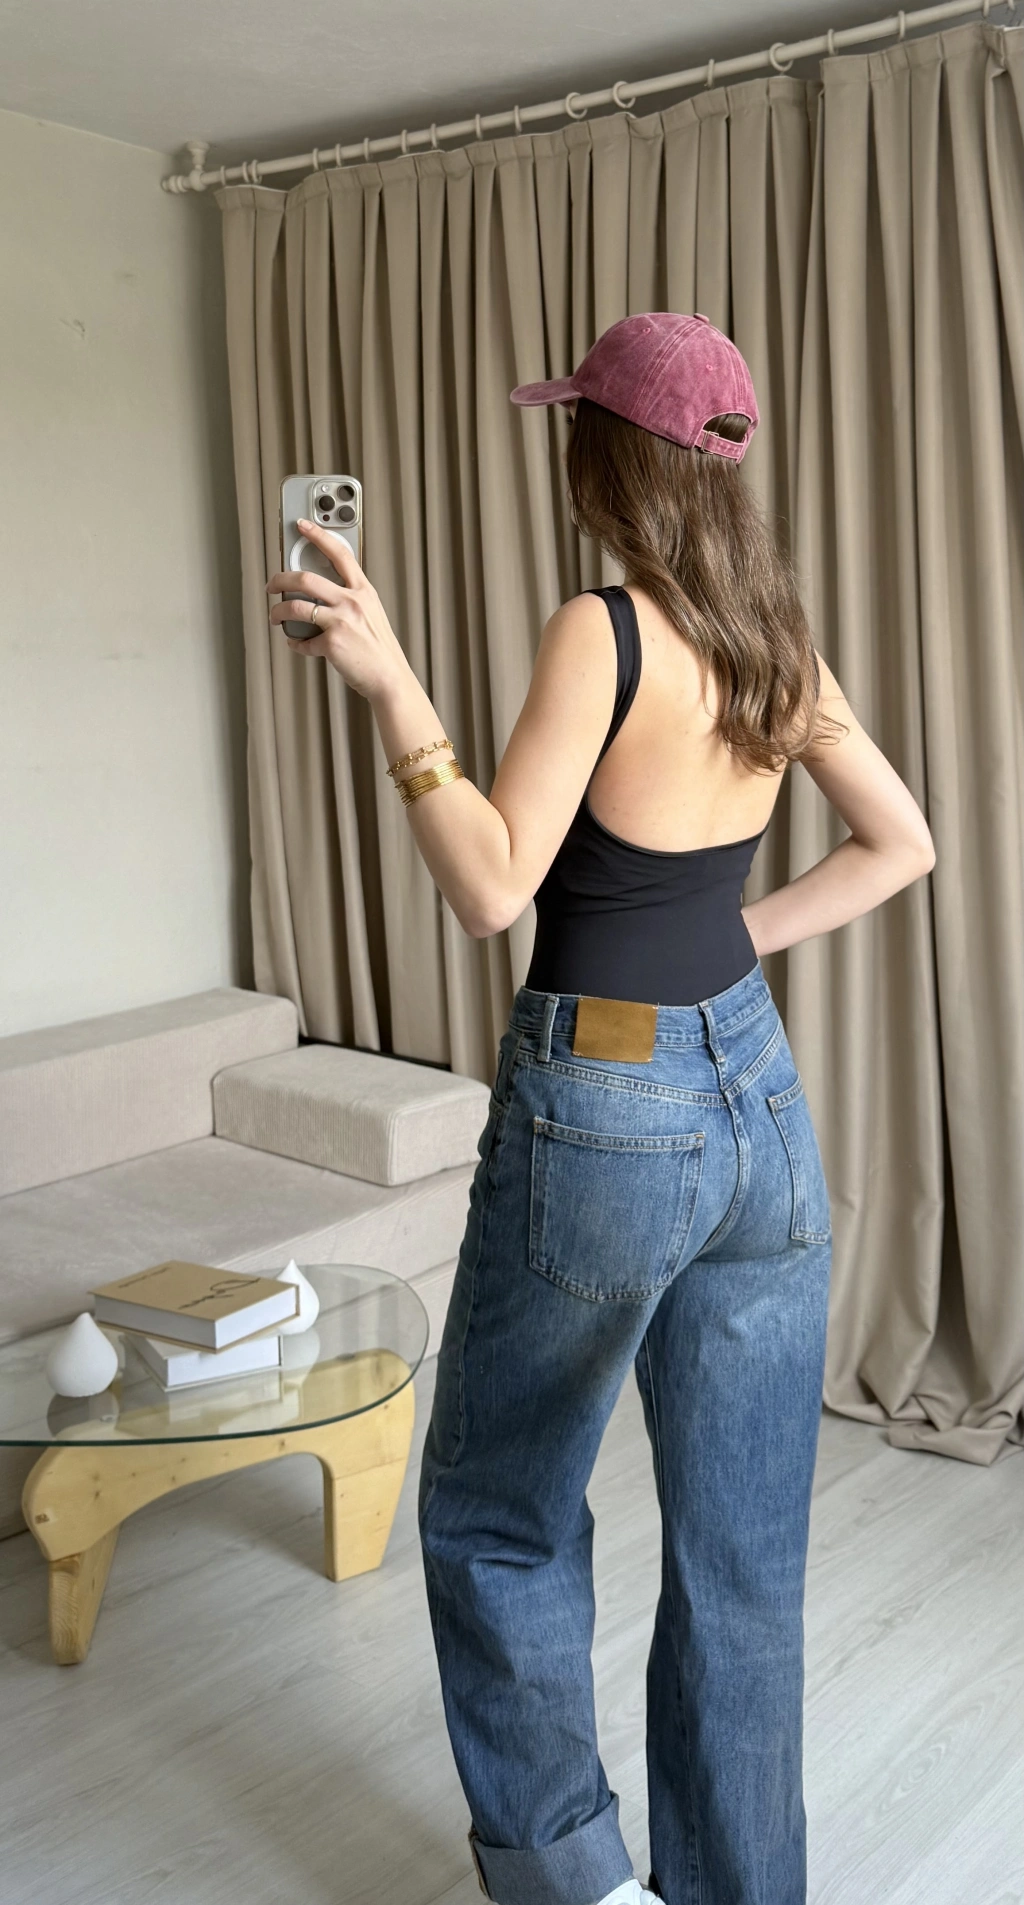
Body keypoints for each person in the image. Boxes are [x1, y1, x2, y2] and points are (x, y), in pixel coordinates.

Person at [267, 312, 936, 1905]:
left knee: (498, 1513)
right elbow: (901, 842)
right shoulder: (775, 640)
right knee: (743, 1559)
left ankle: (578, 1888)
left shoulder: (605, 629)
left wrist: (388, 679)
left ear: (604, 457)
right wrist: (730, 945)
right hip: (757, 1098)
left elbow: (493, 888)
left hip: (610, 1102)